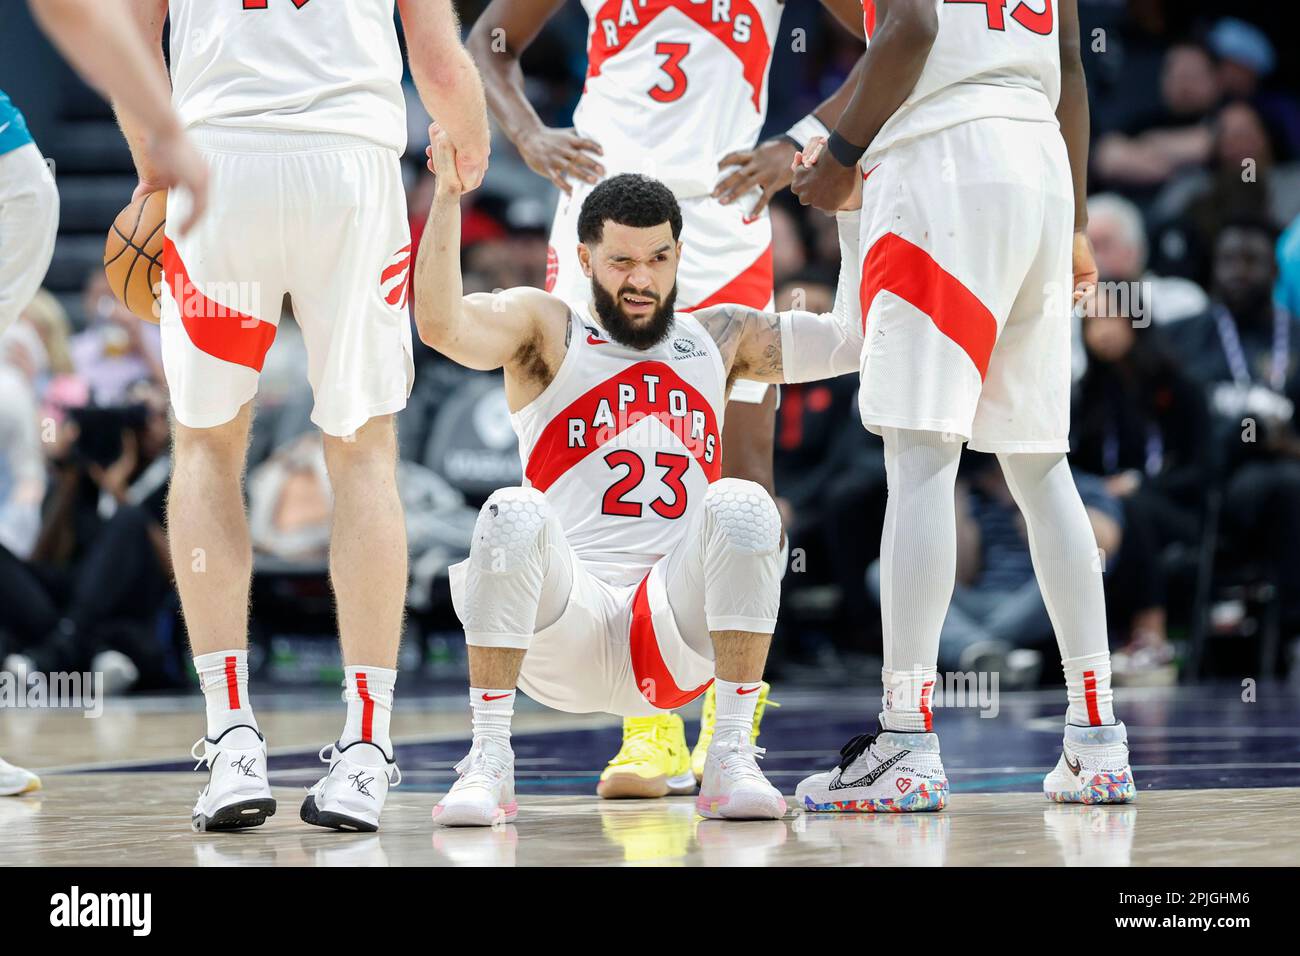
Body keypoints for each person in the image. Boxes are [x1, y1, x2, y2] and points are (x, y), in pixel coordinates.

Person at [467, 0, 869, 794]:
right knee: (591, 455)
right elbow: (488, 42)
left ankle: (728, 726)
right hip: (608, 218)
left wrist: (801, 141)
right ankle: (647, 722)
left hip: (722, 219)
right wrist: (528, 136)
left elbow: (895, 37)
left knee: (745, 472)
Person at [112, 0, 490, 833]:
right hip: (349, 168)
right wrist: (467, 141)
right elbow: (435, 53)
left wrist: (151, 172)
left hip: (219, 165)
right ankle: (365, 746)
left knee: (207, 446)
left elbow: (130, 35)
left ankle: (231, 736)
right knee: (363, 453)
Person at [790, 0, 1135, 811]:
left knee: (921, 457)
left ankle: (904, 743)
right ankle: (1098, 741)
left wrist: (842, 154)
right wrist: (1080, 220)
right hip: (1041, 168)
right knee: (1041, 465)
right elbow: (1072, 65)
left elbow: (910, 25)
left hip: (942, 163)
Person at [1168, 217, 1300, 641]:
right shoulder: (1183, 338)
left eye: (1251, 260)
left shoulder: (1294, 337)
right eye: (1227, 260)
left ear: (1276, 271)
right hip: (1211, 488)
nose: (1238, 272)